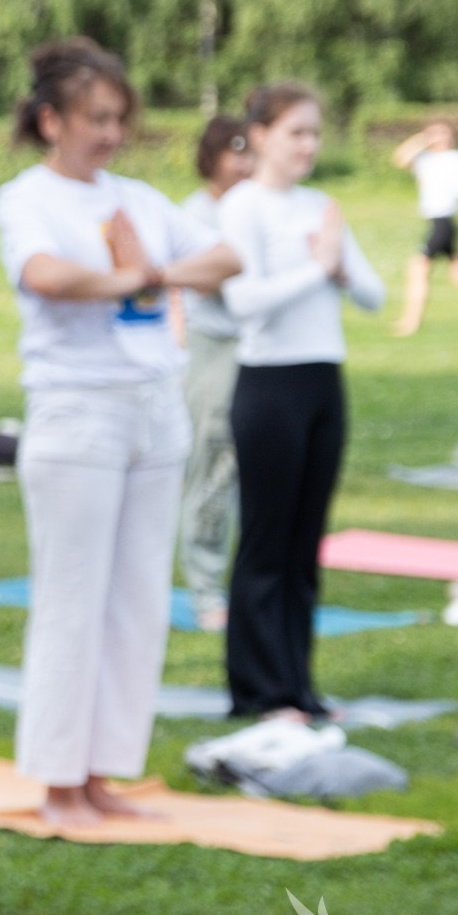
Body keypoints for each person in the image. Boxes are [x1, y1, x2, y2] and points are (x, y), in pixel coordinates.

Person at [0, 38, 239, 829]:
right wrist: (132, 277)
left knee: (136, 600)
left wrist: (155, 272)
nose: (109, 133)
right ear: (51, 118)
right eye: (96, 118)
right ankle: (58, 783)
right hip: (76, 411)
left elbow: (225, 257)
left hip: (152, 406)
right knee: (72, 598)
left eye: (118, 119)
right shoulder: (27, 197)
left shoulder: (134, 196)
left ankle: (102, 772)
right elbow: (44, 276)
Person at [220, 83, 384, 720]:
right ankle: (259, 690)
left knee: (304, 543)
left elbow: (372, 294)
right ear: (260, 136)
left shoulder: (321, 205)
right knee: (266, 538)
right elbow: (242, 301)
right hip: (269, 385)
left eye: (315, 132)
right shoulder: (244, 207)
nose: (309, 145)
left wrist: (337, 266)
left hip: (322, 380)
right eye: (296, 132)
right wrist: (317, 269)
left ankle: (299, 685)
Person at [173, 116, 254, 632]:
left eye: (251, 153)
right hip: (212, 347)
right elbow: (209, 282)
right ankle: (206, 590)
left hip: (265, 346)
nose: (245, 164)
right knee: (213, 461)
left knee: (263, 467)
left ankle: (254, 587)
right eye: (235, 153)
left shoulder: (261, 207)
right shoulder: (194, 215)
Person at [389, 120, 458, 336]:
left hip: (444, 222)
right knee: (457, 271)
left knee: (417, 268)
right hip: (436, 221)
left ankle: (410, 322)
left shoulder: (455, 159)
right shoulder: (425, 159)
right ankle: (410, 321)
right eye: (434, 133)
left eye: (442, 133)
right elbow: (399, 159)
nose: (438, 137)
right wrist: (422, 139)